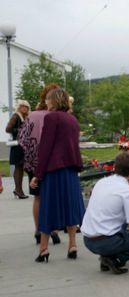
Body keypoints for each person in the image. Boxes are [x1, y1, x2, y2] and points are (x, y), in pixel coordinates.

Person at [81, 151, 129, 274]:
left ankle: (107, 256)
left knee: (120, 221)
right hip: (106, 242)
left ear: (114, 167)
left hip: (88, 240)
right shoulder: (128, 193)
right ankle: (116, 259)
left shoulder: (101, 182)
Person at [32, 88, 85, 263]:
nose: (46, 102)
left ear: (54, 100)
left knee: (48, 207)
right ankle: (72, 245)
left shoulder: (51, 118)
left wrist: (37, 174)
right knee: (70, 206)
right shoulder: (72, 119)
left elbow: (45, 148)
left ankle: (44, 249)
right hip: (70, 169)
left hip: (54, 169)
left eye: (48, 99)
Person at [18, 83, 62, 246]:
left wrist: (31, 155)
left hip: (34, 163)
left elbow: (22, 138)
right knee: (54, 197)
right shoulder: (59, 116)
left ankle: (38, 230)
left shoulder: (32, 116)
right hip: (54, 162)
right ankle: (53, 230)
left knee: (38, 197)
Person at [5, 99, 31, 199]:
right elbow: (8, 129)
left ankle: (18, 190)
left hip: (24, 145)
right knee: (19, 167)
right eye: (22, 106)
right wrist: (20, 130)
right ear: (19, 108)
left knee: (21, 167)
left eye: (26, 107)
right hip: (18, 146)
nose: (24, 108)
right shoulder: (16, 116)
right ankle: (18, 190)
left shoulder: (27, 116)